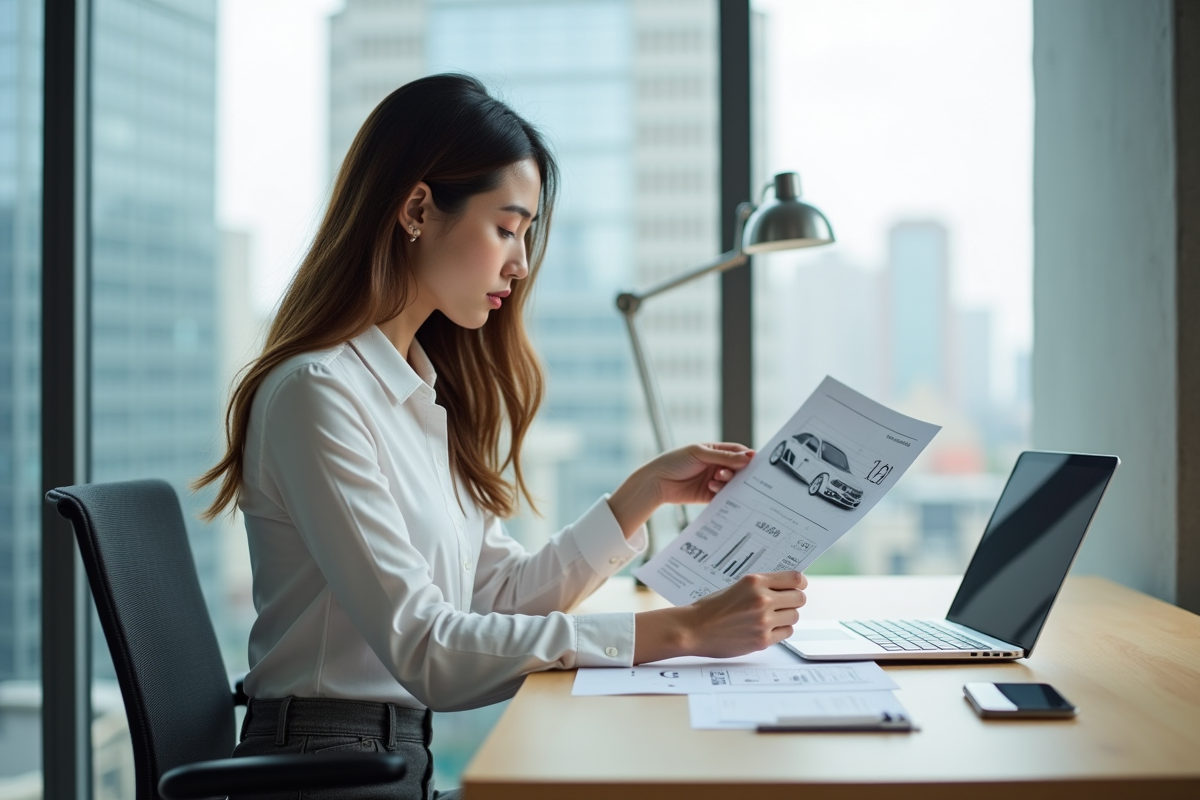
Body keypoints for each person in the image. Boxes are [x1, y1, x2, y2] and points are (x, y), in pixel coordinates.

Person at [196, 74, 807, 800]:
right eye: (507, 228)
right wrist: (682, 632)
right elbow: (428, 649)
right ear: (418, 208)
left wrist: (640, 496)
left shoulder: (416, 393)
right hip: (325, 772)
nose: (520, 264)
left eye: (525, 235)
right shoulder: (317, 396)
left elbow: (499, 595)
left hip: (391, 758)